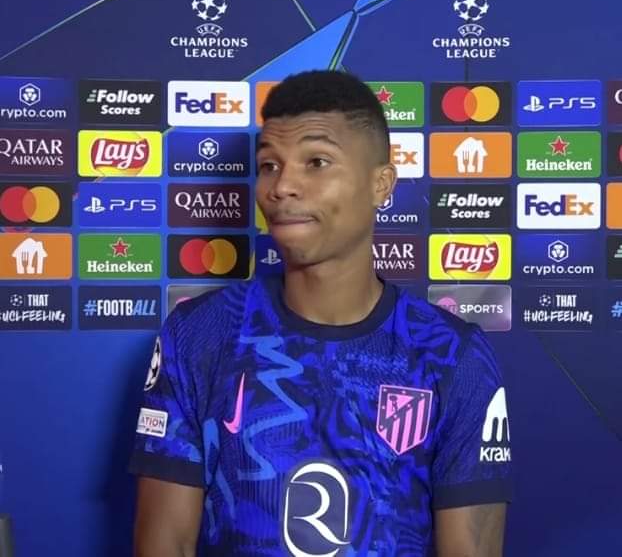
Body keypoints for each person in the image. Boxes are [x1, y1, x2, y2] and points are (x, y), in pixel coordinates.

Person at [130, 70, 512, 557]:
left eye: (316, 162)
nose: (282, 186)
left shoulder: (453, 354)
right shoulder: (198, 335)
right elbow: (165, 544)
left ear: (381, 184)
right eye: (269, 165)